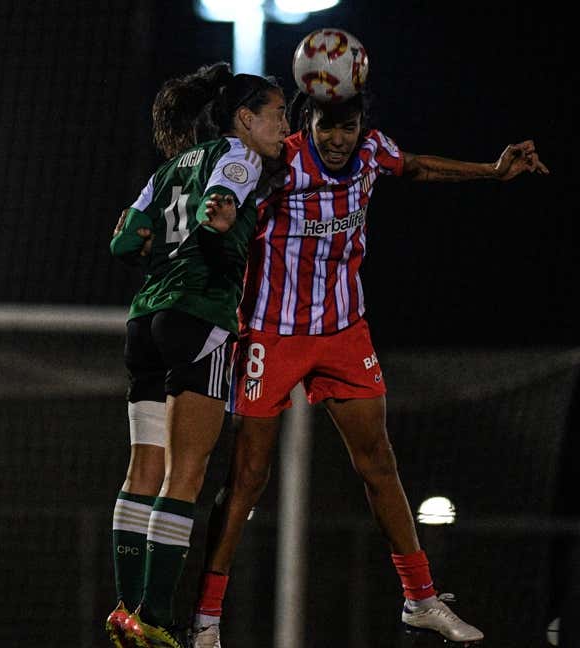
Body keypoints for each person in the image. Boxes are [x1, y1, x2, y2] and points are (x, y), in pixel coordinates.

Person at [187, 88, 549, 647]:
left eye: (347, 127)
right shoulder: (275, 161)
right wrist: (220, 212)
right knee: (247, 480)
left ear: (361, 126)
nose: (337, 139)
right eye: (326, 127)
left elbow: (419, 166)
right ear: (306, 122)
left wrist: (493, 170)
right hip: (270, 335)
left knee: (379, 464)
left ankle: (420, 599)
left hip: (342, 333)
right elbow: (226, 186)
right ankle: (207, 620)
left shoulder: (373, 152)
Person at [105, 62, 289, 648]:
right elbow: (217, 210)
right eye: (278, 114)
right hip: (199, 316)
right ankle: (156, 616)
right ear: (245, 119)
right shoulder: (239, 157)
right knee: (185, 475)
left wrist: (159, 240)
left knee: (143, 471)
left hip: (145, 321)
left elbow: (122, 242)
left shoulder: (165, 170)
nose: (285, 126)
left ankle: (127, 610)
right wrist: (219, 227)